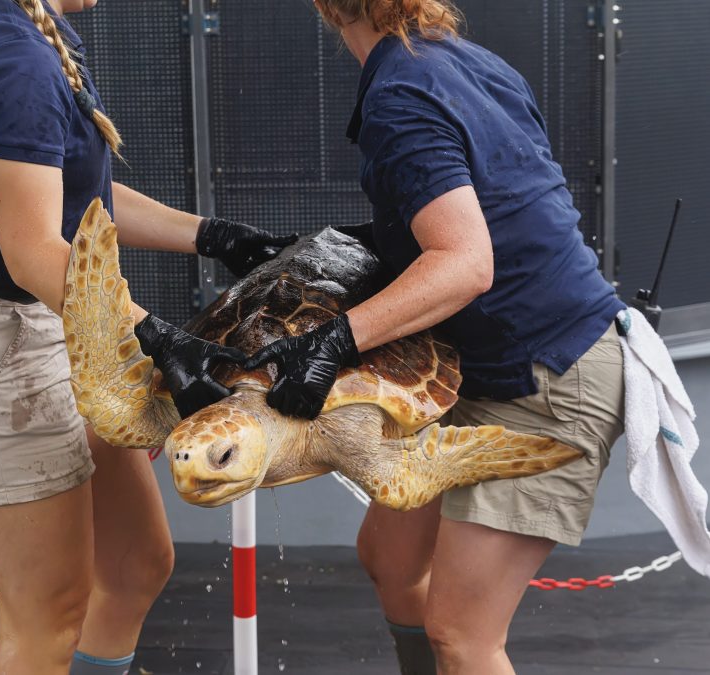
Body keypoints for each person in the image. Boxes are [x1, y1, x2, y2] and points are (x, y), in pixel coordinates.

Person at [0, 1, 294, 673]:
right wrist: (158, 336)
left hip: (50, 328)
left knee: (136, 564)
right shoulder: (13, 58)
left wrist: (213, 236)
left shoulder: (38, 37)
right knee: (46, 618)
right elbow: (32, 251)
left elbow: (79, 202)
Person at [244, 1, 626, 673]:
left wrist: (336, 341)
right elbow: (499, 207)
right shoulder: (458, 59)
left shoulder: (400, 95)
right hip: (487, 367)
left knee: (462, 633)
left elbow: (465, 262)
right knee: (391, 558)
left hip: (544, 380)